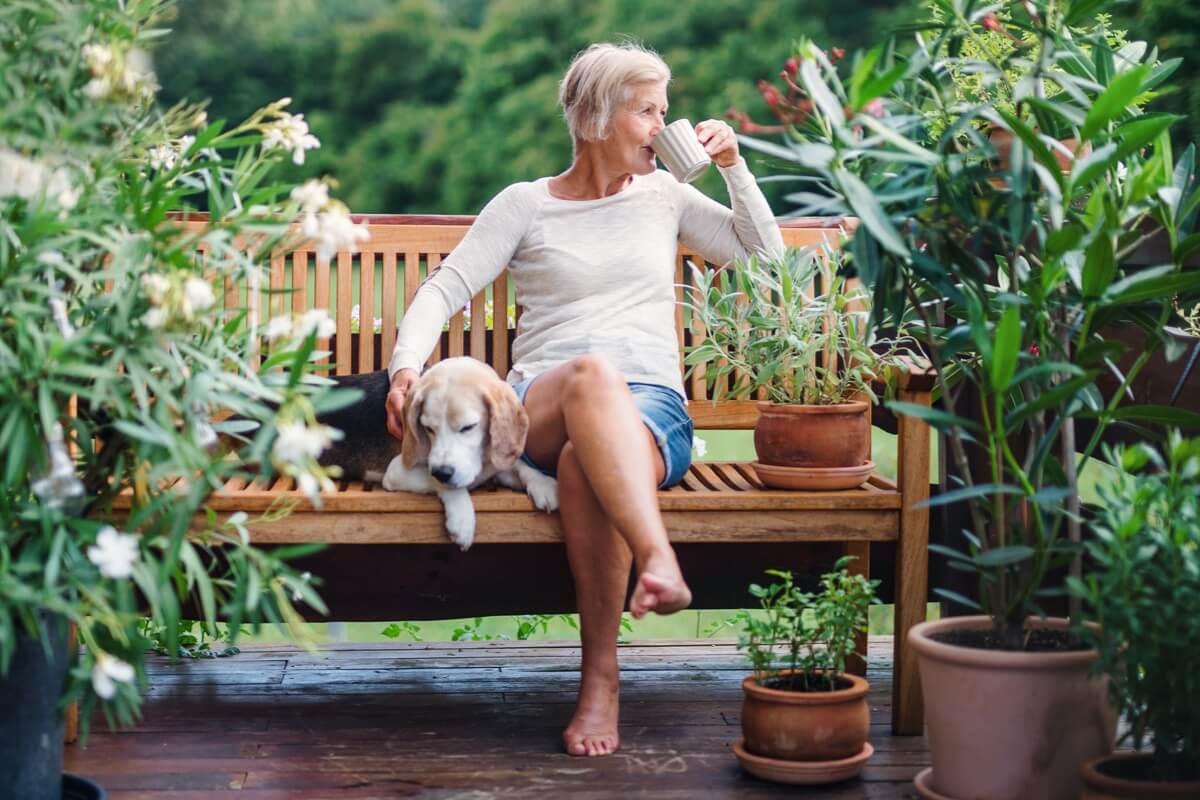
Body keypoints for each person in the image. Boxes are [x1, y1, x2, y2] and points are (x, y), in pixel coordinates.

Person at [384, 41, 784, 757]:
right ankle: (659, 558)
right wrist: (404, 369)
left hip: (651, 410)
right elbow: (444, 288)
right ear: (598, 116)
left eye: (666, 111)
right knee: (593, 376)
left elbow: (766, 262)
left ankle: (601, 682)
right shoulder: (525, 205)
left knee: (580, 468)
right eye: (647, 112)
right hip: (539, 403)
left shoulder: (666, 197)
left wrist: (733, 167)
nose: (664, 127)